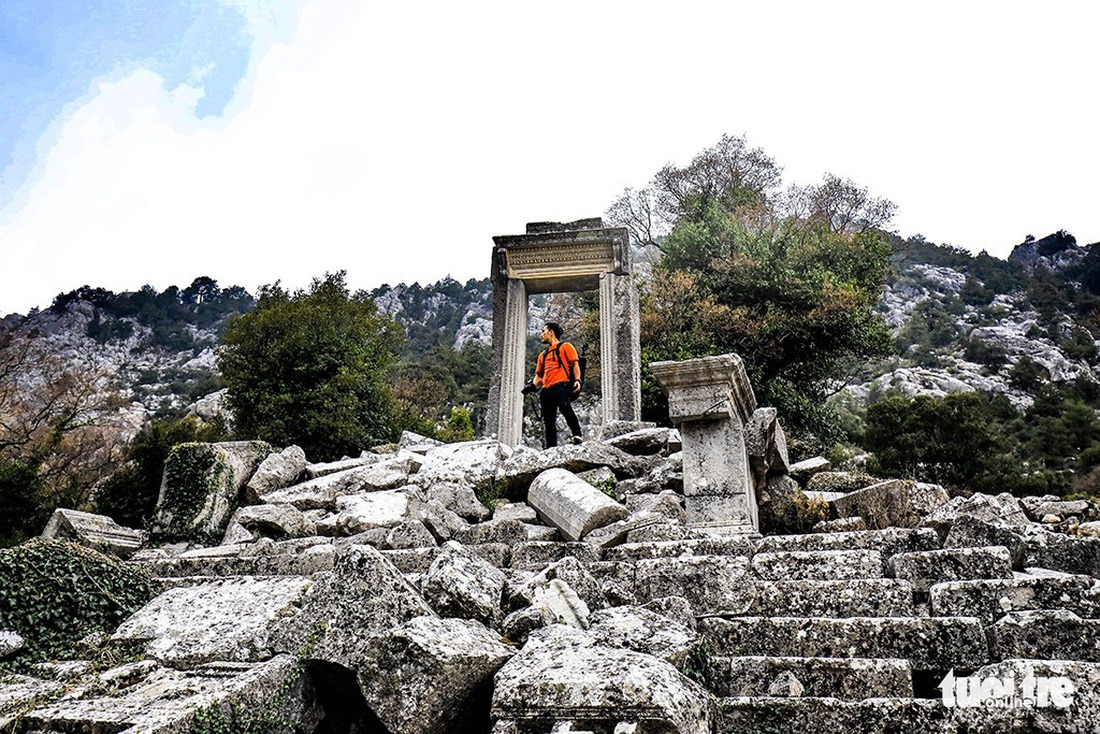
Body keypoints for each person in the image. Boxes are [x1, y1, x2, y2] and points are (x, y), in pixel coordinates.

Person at [529, 322, 582, 448]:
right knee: (548, 420)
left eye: (544, 331)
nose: (542, 335)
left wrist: (578, 380)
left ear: (551, 332)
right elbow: (539, 375)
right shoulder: (543, 355)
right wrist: (532, 385)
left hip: (561, 385)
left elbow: (575, 365)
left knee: (566, 409)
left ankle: (577, 434)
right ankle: (551, 447)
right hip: (546, 389)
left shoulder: (566, 347)